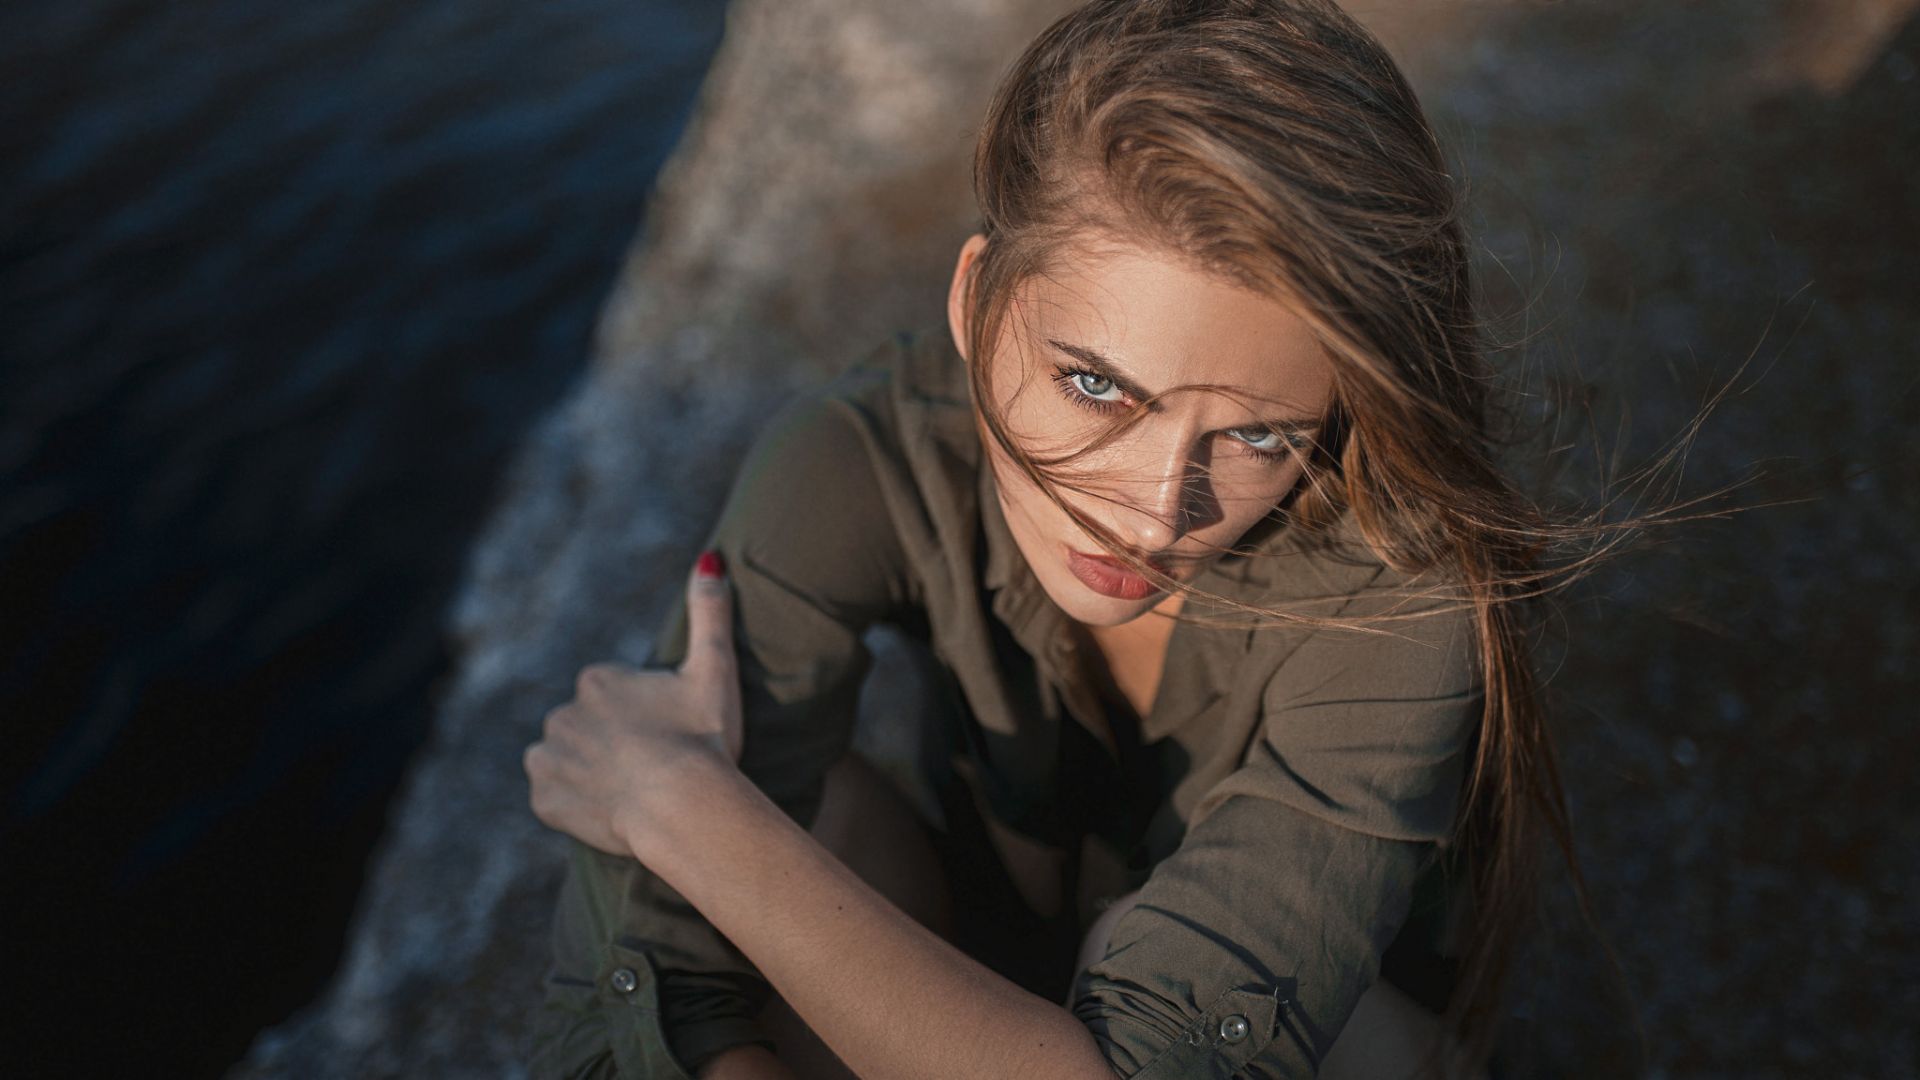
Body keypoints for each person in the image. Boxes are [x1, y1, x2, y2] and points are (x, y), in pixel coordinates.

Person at [524, 2, 1599, 1076]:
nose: (1150, 511)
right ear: (976, 296)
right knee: (799, 801)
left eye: (1257, 434)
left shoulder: (1402, 602)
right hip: (982, 991)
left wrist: (681, 807)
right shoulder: (864, 458)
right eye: (1096, 386)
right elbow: (620, 1001)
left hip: (1311, 1044)